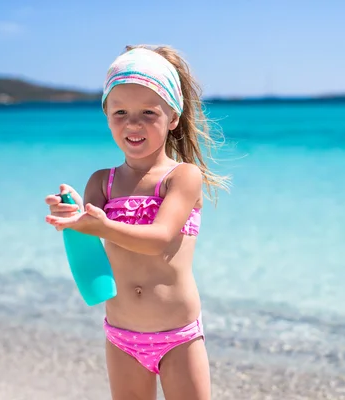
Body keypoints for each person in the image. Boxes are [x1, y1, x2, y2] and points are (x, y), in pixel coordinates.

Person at [44, 44, 229, 400]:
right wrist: (71, 217)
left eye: (148, 112)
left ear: (173, 117)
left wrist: (99, 225)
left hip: (178, 336)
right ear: (106, 115)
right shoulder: (102, 181)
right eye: (120, 113)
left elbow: (158, 238)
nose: (133, 123)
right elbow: (88, 238)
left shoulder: (183, 177)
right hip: (122, 334)